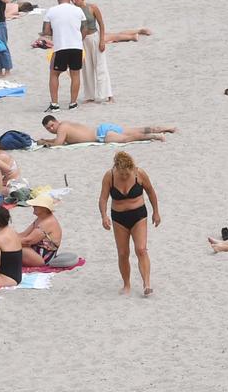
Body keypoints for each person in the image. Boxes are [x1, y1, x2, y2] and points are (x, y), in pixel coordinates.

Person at [101, 150, 161, 297]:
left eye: (127, 173)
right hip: (119, 218)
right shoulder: (109, 176)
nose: (125, 176)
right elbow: (103, 198)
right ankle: (126, 284)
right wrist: (104, 216)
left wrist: (156, 212)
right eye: (122, 174)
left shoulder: (139, 173)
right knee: (123, 253)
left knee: (141, 249)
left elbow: (151, 192)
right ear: (116, 168)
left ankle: (146, 284)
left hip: (138, 215)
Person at [41, 0, 86, 111]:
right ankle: (73, 103)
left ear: (58, 0)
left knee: (54, 74)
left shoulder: (51, 11)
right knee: (75, 74)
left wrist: (54, 32)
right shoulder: (78, 10)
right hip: (76, 47)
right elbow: (85, 28)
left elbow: (45, 31)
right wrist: (78, 38)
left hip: (61, 46)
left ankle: (55, 104)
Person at [37, 115, 177, 145]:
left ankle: (157, 136)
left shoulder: (62, 128)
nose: (51, 129)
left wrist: (45, 142)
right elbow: (58, 140)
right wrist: (47, 139)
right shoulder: (65, 124)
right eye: (48, 128)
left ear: (56, 122)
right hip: (103, 128)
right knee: (137, 129)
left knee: (127, 139)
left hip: (101, 135)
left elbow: (58, 144)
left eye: (51, 125)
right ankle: (167, 128)